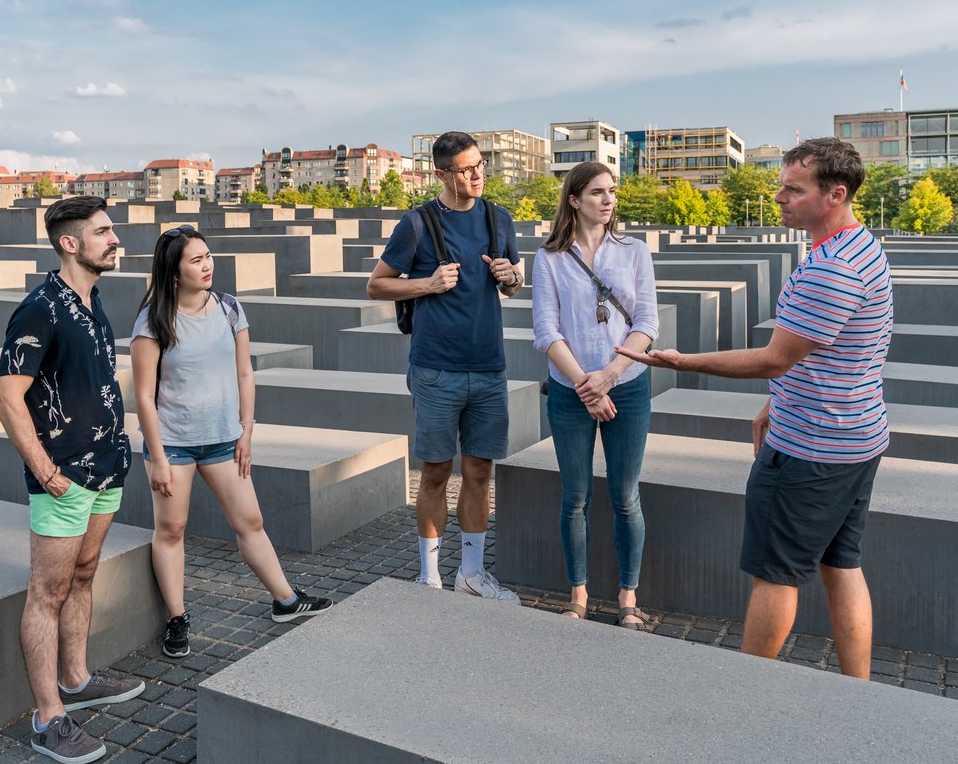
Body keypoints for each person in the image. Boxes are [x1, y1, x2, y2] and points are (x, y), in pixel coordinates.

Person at [617, 137, 892, 678]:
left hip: (811, 450)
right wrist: (778, 402)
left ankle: (746, 695)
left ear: (835, 194)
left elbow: (774, 359)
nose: (778, 197)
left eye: (793, 189)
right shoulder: (861, 247)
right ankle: (861, 692)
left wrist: (681, 361)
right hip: (856, 437)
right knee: (842, 565)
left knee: (776, 574)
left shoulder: (829, 269)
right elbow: (822, 354)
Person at [131, 224, 331, 659]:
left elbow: (245, 373)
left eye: (208, 256)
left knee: (250, 523)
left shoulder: (228, 307)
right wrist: (159, 458)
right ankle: (177, 618)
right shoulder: (153, 320)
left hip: (224, 440)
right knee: (171, 530)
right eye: (195, 260)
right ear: (173, 270)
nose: (207, 266)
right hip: (174, 444)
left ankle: (286, 600)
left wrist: (247, 430)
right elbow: (143, 396)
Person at [0, 196, 145, 764]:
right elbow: (6, 399)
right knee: (47, 592)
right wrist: (46, 473)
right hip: (64, 476)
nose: (115, 240)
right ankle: (47, 718)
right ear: (69, 243)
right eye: (104, 232)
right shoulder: (41, 308)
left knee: (83, 575)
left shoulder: (92, 299)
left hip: (107, 468)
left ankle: (77, 681)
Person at [366, 131, 524, 599]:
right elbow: (377, 286)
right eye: (466, 169)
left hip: (489, 368)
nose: (477, 174)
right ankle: (429, 577)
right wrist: (428, 284)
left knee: (480, 472)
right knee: (435, 473)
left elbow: (514, 281)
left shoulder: (500, 218)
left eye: (480, 165)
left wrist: (512, 277)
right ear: (441, 174)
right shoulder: (416, 225)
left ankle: (471, 575)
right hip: (436, 369)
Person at [530, 161, 658, 628]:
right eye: (598, 193)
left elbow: (647, 323)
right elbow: (546, 331)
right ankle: (578, 595)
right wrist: (588, 386)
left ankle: (628, 598)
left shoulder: (634, 251)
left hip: (627, 385)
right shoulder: (549, 258)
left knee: (626, 496)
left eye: (612, 192)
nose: (609, 201)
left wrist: (608, 375)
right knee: (576, 497)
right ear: (574, 199)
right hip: (569, 392)